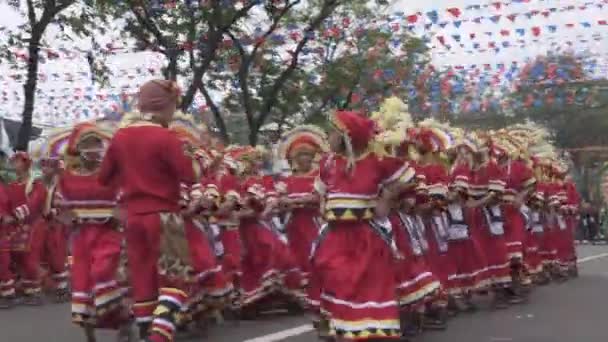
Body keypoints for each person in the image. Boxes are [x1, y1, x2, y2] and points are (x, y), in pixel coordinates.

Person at [99, 79, 199, 342]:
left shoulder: (120, 137)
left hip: (133, 218)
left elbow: (103, 178)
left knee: (142, 275)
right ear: (165, 106)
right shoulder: (166, 137)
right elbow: (190, 176)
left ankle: (145, 329)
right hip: (164, 215)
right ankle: (160, 334)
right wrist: (194, 157)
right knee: (177, 278)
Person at [312, 110, 417, 341]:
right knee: (337, 279)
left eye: (333, 133)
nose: (328, 137)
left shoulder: (376, 161)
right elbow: (319, 191)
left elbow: (408, 178)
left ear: (346, 136)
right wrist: (323, 204)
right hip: (335, 236)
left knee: (364, 286)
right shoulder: (328, 163)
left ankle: (360, 331)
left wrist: (386, 198)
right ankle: (339, 326)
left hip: (365, 236)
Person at [54, 122, 133, 342]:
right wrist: (69, 217)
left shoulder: (112, 174)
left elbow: (124, 202)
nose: (92, 148)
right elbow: (60, 209)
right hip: (80, 238)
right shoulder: (67, 177)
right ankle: (91, 335)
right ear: (78, 148)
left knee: (103, 274)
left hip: (108, 234)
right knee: (82, 285)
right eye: (87, 143)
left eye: (96, 143)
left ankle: (124, 321)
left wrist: (118, 215)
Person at [0, 152, 47, 306]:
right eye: (13, 162)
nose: (14, 165)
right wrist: (5, 216)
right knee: (19, 257)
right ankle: (26, 289)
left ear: (26, 164)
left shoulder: (36, 184)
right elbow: (6, 204)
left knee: (30, 257)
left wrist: (15, 216)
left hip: (33, 225)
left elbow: (34, 204)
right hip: (17, 226)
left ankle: (35, 291)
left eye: (17, 162)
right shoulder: (12, 186)